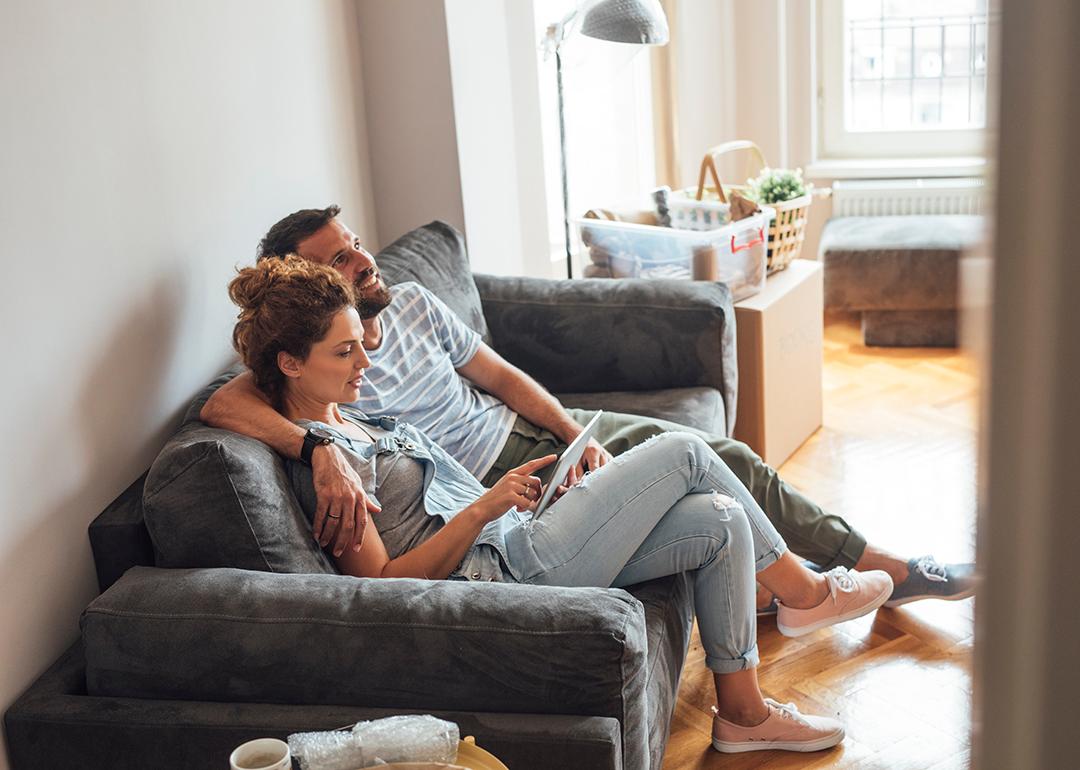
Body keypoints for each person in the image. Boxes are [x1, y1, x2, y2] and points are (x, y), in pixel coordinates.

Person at [226, 255, 897, 754]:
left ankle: (743, 716)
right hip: (506, 579)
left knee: (719, 520)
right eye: (344, 352)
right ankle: (805, 595)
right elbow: (377, 585)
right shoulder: (329, 476)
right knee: (688, 454)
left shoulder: (344, 430)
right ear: (288, 363)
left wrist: (527, 499)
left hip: (520, 539)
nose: (363, 365)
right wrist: (482, 511)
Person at [200, 206, 975, 609]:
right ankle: (859, 572)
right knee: (713, 464)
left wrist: (573, 430)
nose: (363, 260)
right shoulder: (325, 374)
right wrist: (318, 449)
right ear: (309, 292)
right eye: (340, 258)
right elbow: (225, 400)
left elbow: (502, 377)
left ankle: (798, 587)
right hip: (491, 480)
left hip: (532, 438)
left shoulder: (407, 304)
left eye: (357, 243)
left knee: (717, 473)